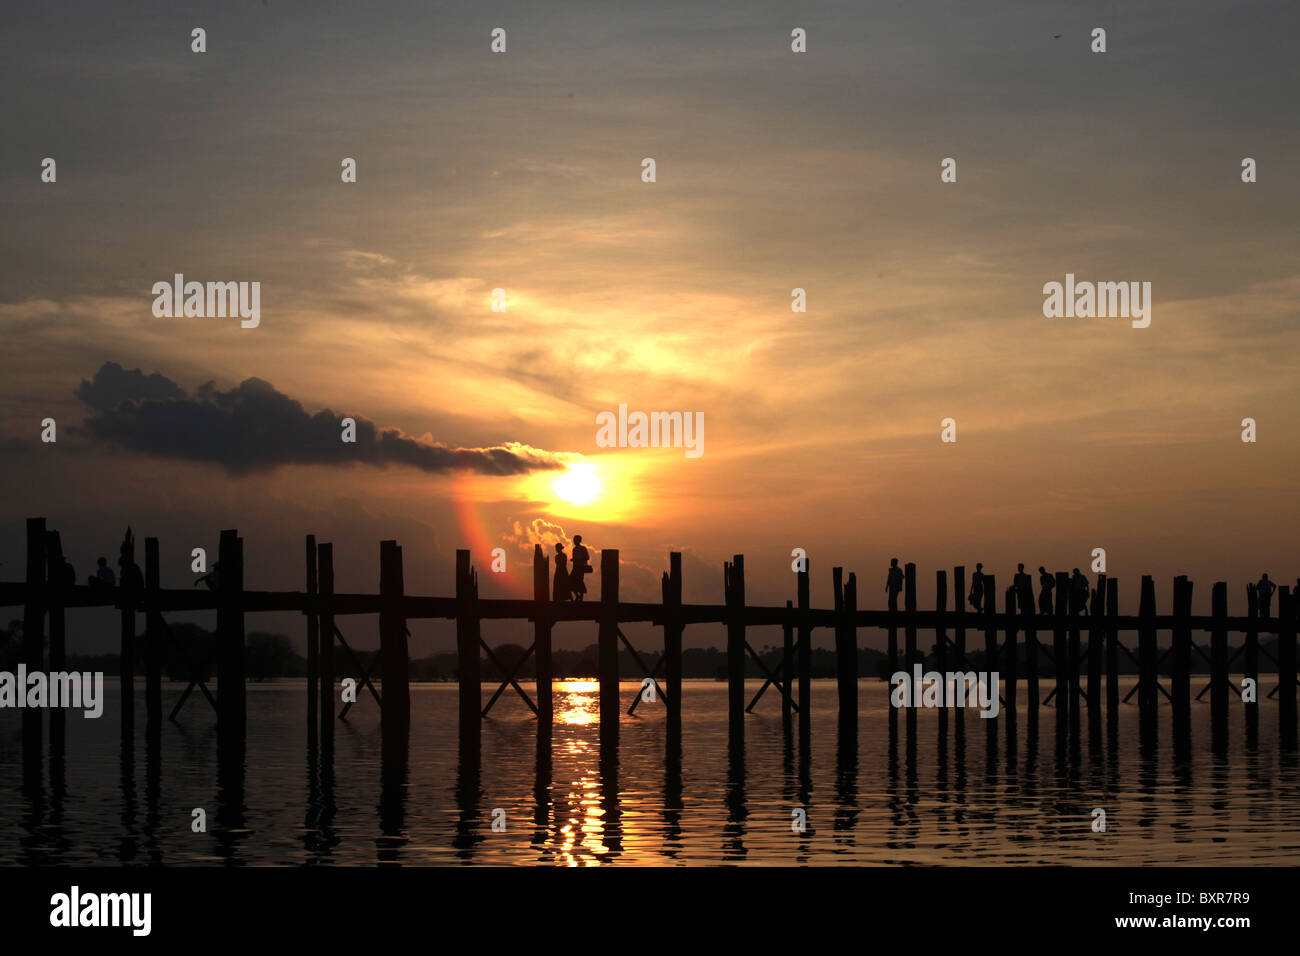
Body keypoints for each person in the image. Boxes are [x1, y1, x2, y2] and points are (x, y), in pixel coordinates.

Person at [569, 535, 591, 602]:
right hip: (575, 567)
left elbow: (587, 557)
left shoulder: (583, 548)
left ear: (579, 540)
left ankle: (580, 597)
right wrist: (574, 559)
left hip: (581, 567)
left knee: (579, 581)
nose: (574, 541)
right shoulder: (574, 549)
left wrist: (578, 559)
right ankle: (578, 596)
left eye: (575, 540)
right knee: (570, 581)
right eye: (574, 540)